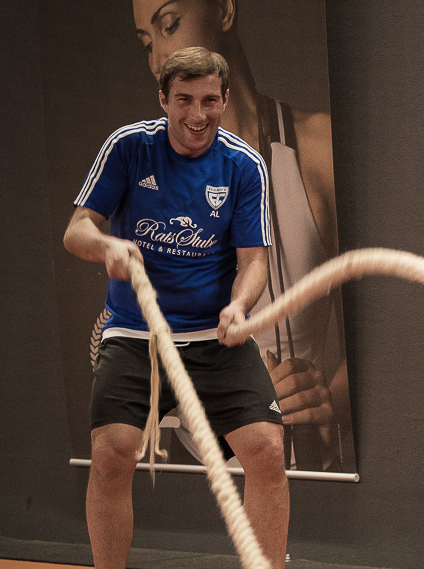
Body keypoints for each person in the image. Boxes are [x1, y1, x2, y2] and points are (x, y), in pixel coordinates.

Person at [64, 46, 324, 569]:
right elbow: (76, 229)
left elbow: (255, 263)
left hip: (215, 336)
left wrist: (238, 307)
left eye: (210, 100)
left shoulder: (243, 166)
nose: (198, 113)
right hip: (136, 333)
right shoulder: (128, 147)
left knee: (264, 449)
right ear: (164, 101)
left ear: (224, 100)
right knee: (112, 454)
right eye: (185, 100)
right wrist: (107, 248)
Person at [129, 0, 350, 472]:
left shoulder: (319, 151)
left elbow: (401, 335)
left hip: (309, 489)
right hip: (195, 492)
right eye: (147, 44)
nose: (158, 60)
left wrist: (332, 403)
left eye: (169, 26)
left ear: (225, 11)